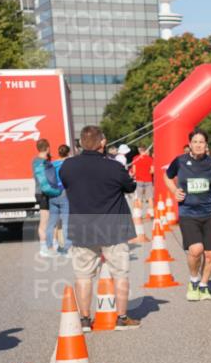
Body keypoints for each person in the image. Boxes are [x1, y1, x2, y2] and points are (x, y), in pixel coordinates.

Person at [60, 126, 140, 331]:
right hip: (113, 227)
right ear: (102, 142)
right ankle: (122, 318)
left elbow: (67, 184)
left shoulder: (68, 166)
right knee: (120, 273)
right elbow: (130, 187)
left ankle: (85, 320)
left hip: (82, 229)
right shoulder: (114, 167)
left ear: (80, 143)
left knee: (83, 276)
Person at [164, 129, 211, 301]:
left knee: (210, 254)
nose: (198, 145)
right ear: (190, 144)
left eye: (202, 142)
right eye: (195, 142)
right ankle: (193, 280)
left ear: (206, 145)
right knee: (196, 250)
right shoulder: (180, 161)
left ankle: (203, 285)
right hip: (188, 212)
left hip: (210, 212)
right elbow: (167, 176)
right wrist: (174, 190)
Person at [32, 138, 61, 258]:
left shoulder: (38, 161)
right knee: (45, 221)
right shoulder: (42, 162)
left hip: (42, 193)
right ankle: (45, 248)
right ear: (48, 148)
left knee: (50, 221)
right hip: (45, 193)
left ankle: (51, 246)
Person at [48, 144, 72, 257]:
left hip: (53, 193)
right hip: (64, 192)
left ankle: (53, 245)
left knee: (54, 222)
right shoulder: (69, 163)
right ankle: (67, 248)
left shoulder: (52, 164)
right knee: (66, 221)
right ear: (68, 152)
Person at [129, 144, 154, 215]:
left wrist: (132, 174)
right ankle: (151, 213)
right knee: (150, 198)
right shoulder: (150, 158)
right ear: (146, 150)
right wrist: (147, 172)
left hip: (139, 180)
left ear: (139, 150)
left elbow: (134, 171)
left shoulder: (135, 158)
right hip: (148, 180)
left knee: (139, 198)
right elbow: (152, 171)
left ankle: (139, 214)